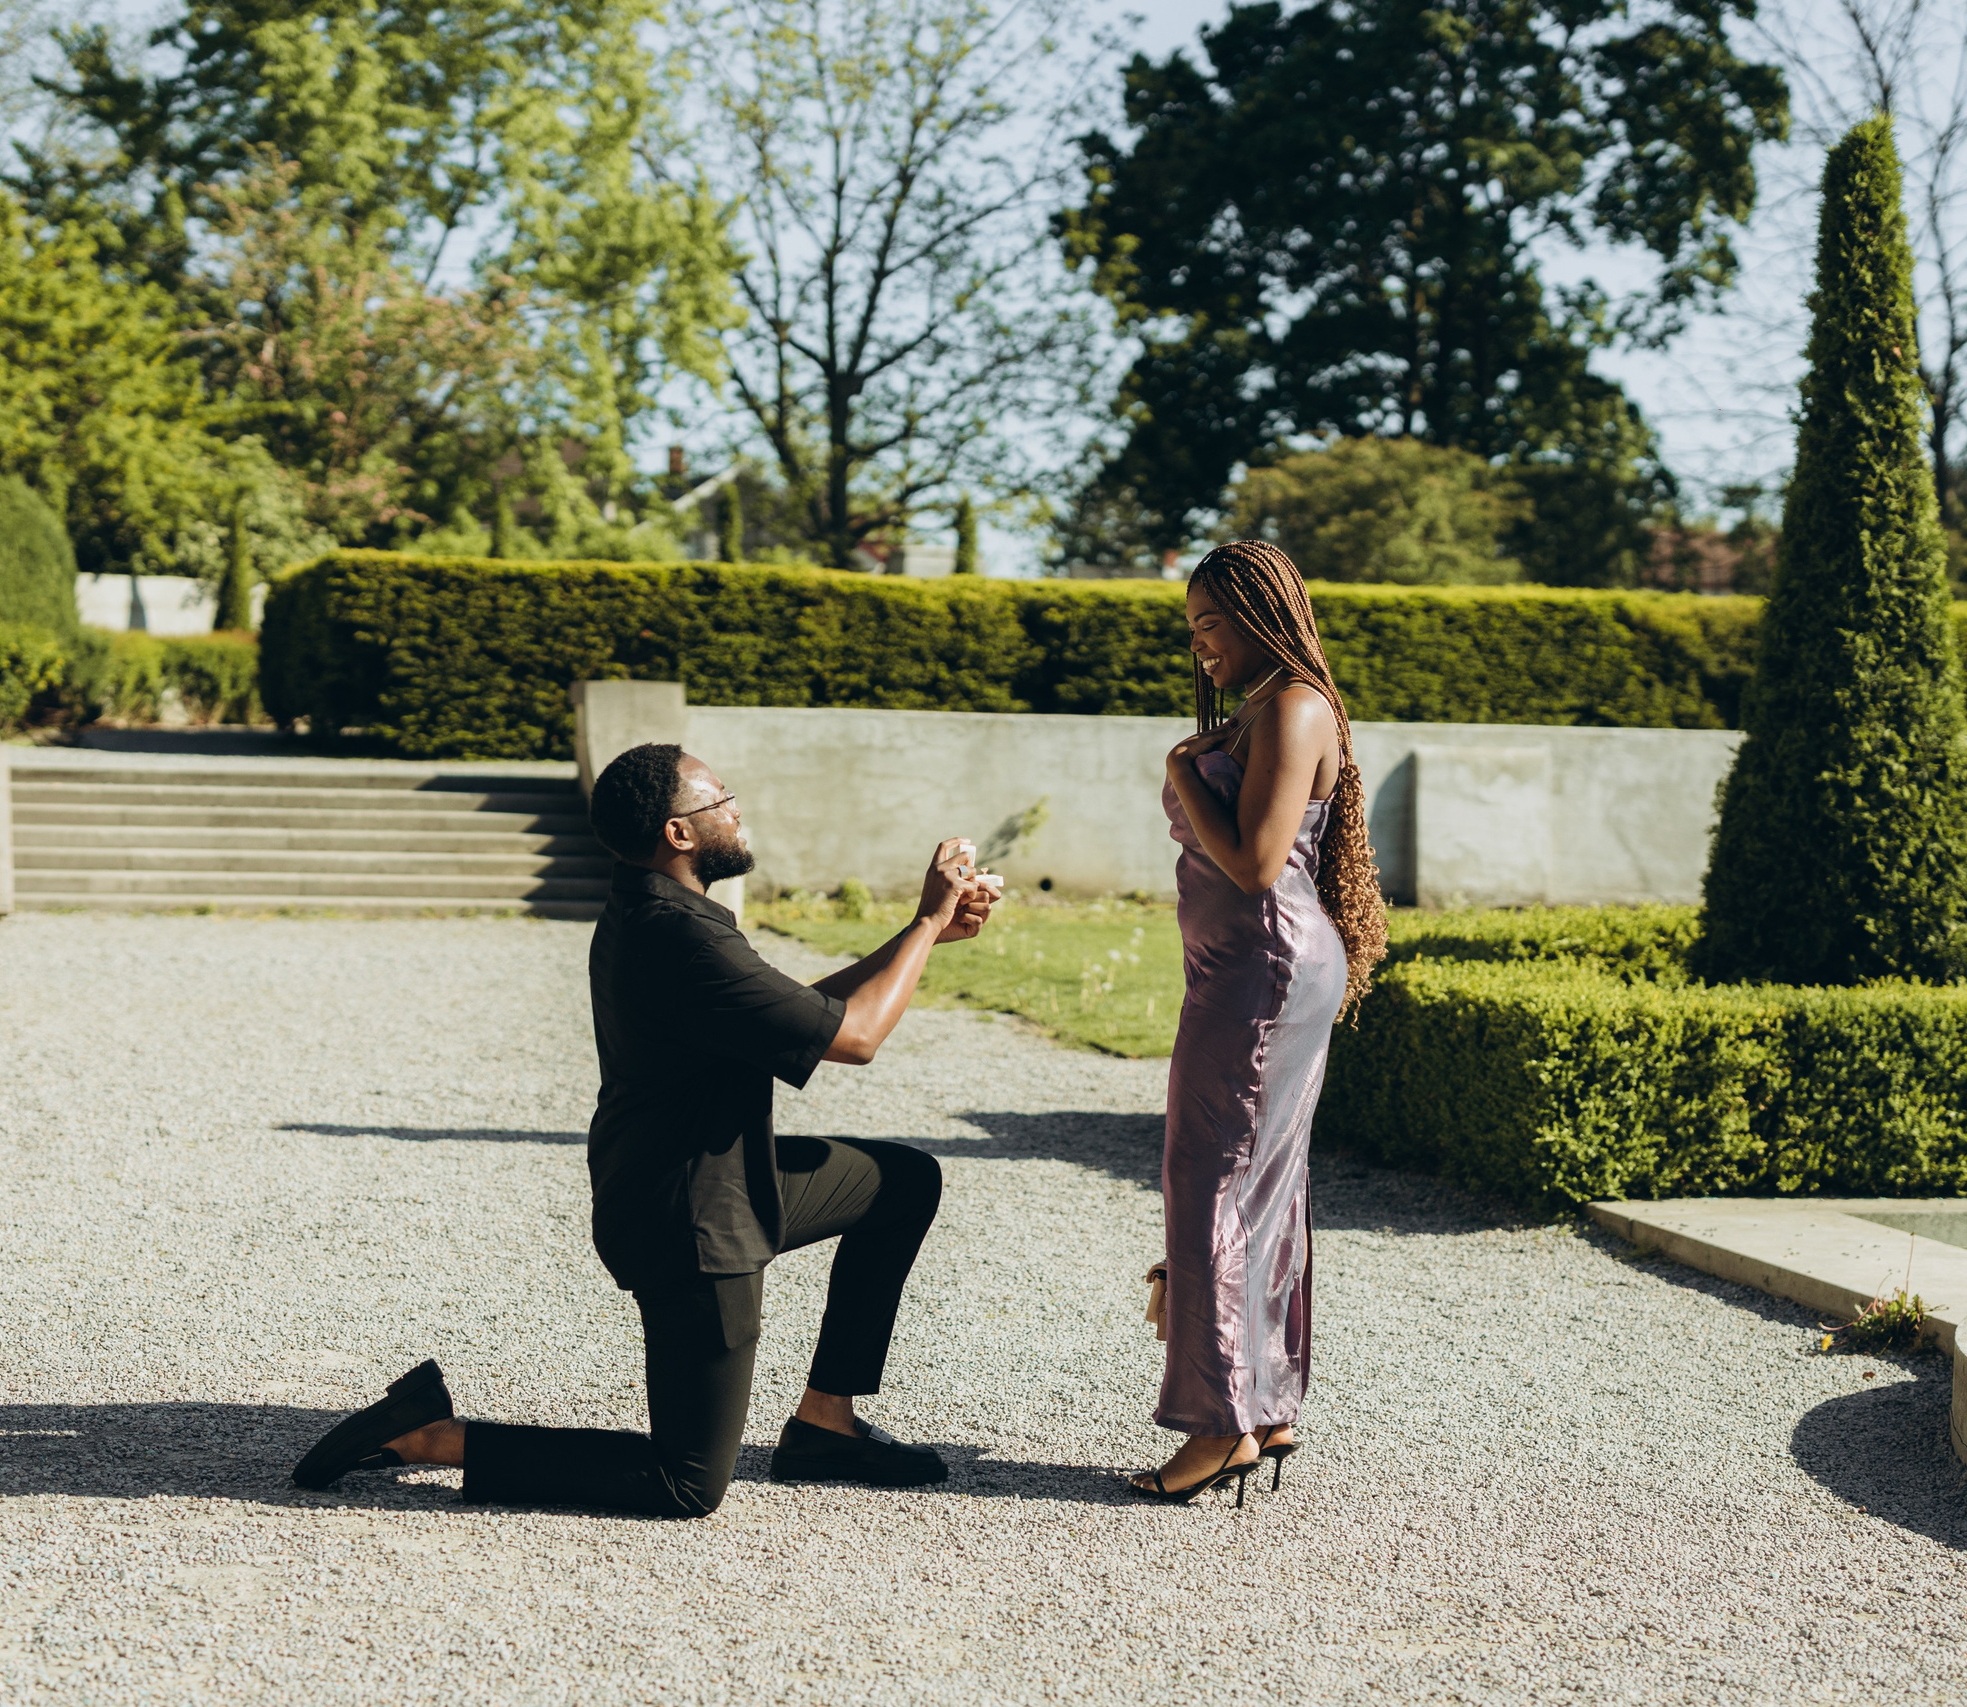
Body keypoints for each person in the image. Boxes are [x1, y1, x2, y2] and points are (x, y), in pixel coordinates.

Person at [291, 742, 1000, 1517]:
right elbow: (856, 1037)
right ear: (679, 833)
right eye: (719, 798)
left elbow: (799, 1016)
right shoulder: (679, 934)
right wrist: (929, 920)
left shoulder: (662, 913)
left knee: (902, 1182)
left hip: (718, 1176)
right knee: (685, 1482)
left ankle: (826, 1422)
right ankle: (434, 1434)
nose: (736, 807)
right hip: (690, 1222)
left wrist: (918, 937)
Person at [1134, 540, 1389, 1505]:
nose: (1199, 643)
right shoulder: (1259, 707)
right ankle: (1265, 1401)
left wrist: (1181, 768)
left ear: (1258, 615)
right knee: (1258, 1183)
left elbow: (1253, 863)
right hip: (1242, 968)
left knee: (1209, 1179)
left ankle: (1217, 1425)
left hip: (1264, 968)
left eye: (1211, 623)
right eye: (1191, 627)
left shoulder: (1292, 706)